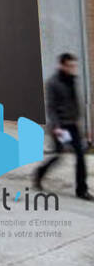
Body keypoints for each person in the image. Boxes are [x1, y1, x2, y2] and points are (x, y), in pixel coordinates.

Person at [34, 53, 92, 199]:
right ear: (62, 65)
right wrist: (57, 127)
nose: (73, 68)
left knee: (80, 157)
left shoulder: (73, 80)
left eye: (74, 66)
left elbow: (75, 103)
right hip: (59, 127)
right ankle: (39, 173)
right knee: (58, 156)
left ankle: (82, 190)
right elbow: (51, 108)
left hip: (73, 125)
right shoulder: (53, 83)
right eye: (70, 66)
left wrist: (81, 123)